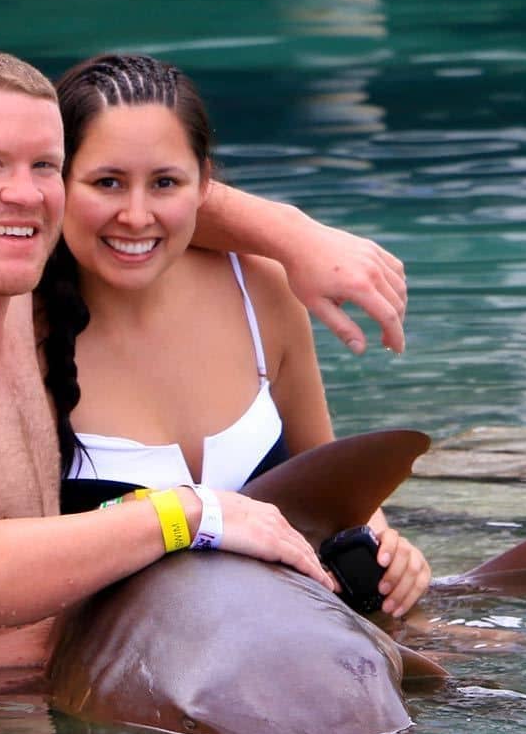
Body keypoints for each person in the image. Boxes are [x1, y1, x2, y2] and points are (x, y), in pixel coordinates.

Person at [0, 46, 407, 672]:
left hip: (59, 728)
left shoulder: (3, 299)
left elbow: (154, 195)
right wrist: (191, 512)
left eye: (43, 167)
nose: (22, 195)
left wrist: (294, 235)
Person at [37, 53, 431, 619]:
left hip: (289, 636)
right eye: (107, 183)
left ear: (203, 184)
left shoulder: (260, 288)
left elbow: (335, 497)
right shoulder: (20, 339)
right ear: (59, 184)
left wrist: (387, 554)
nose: (136, 214)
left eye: (165, 182)